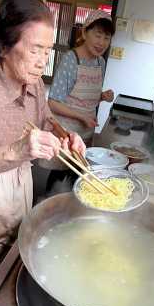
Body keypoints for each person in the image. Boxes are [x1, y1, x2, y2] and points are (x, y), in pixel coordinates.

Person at [0, 0, 85, 272]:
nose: (42, 62)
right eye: (35, 50)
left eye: (47, 51)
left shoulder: (33, 86)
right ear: (4, 46)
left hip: (21, 187)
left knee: (9, 261)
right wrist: (16, 150)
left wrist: (64, 136)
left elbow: (45, 118)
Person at [39, 10, 116, 191]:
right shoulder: (70, 60)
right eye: (97, 35)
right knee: (60, 170)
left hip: (86, 129)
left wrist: (102, 96)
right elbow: (53, 102)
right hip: (66, 129)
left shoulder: (100, 63)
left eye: (106, 37)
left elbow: (85, 94)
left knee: (79, 172)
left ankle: (71, 207)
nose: (102, 42)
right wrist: (81, 116)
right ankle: (51, 203)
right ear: (84, 33)